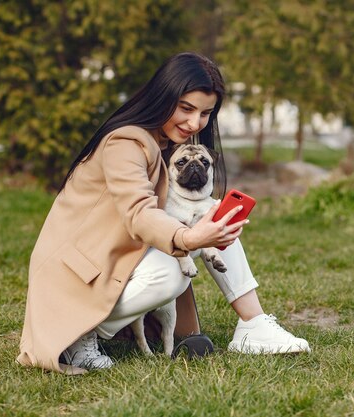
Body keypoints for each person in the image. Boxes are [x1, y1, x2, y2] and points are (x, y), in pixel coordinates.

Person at [16, 52, 310, 374]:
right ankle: (77, 335)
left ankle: (253, 325)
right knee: (170, 274)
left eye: (205, 113)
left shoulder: (164, 142)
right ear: (163, 96)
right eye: (186, 108)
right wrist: (188, 237)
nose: (195, 123)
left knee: (215, 217)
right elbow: (139, 213)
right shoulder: (125, 144)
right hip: (80, 272)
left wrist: (204, 228)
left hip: (116, 259)